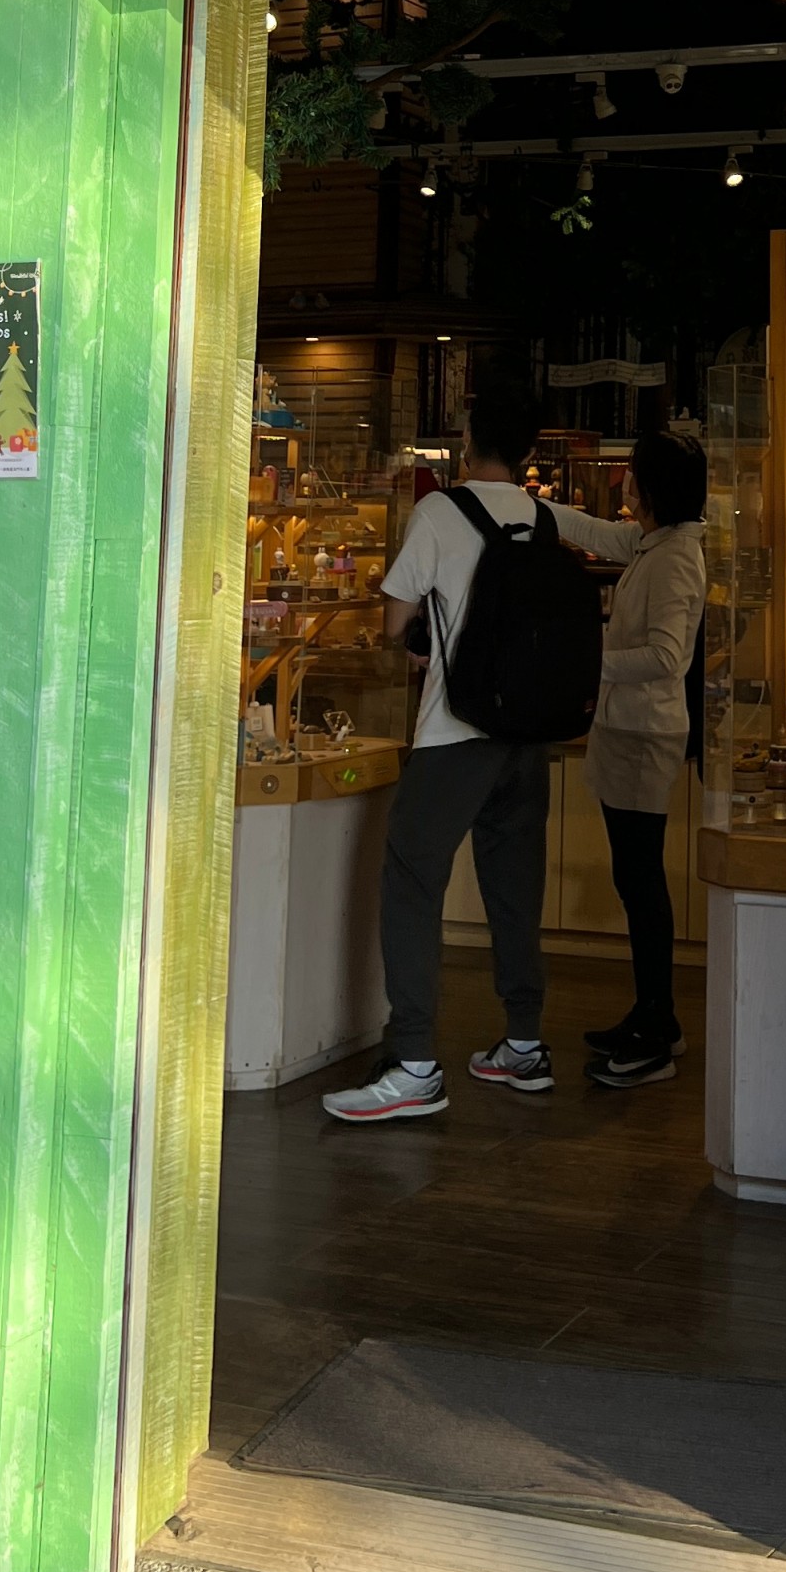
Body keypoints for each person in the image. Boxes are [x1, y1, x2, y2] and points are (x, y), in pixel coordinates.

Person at [324, 374, 586, 1125]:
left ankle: (412, 1062)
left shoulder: (440, 510)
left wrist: (421, 635)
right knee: (515, 889)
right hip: (524, 737)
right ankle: (523, 1043)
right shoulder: (540, 517)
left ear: (468, 441)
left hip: (454, 733)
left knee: (411, 881)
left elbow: (393, 621)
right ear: (529, 449)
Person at [575, 427, 709, 1092]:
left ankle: (655, 1030)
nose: (623, 482)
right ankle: (653, 1015)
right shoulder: (656, 541)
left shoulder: (676, 556)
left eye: (631, 472)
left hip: (644, 734)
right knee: (635, 879)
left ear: (650, 485)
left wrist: (588, 662)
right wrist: (527, 506)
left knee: (641, 880)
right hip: (627, 730)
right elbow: (599, 534)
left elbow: (666, 657)